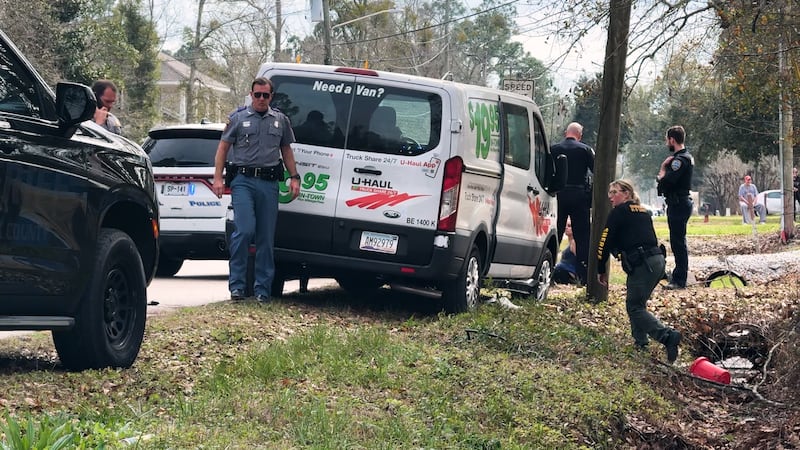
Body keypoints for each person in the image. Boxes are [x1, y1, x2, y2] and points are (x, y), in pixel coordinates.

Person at [212, 77, 301, 302]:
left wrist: (294, 177)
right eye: (257, 95)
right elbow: (223, 148)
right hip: (243, 181)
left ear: (271, 97)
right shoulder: (238, 118)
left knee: (265, 237)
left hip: (269, 183)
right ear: (251, 95)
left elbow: (286, 150)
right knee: (244, 231)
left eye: (266, 95)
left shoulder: (280, 120)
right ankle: (237, 286)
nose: (261, 99)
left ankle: (262, 289)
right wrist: (218, 178)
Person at [597, 179, 682, 363]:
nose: (611, 197)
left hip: (643, 264)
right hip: (656, 261)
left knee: (634, 307)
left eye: (614, 192)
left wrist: (599, 268)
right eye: (609, 193)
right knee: (637, 304)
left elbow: (604, 241)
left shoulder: (618, 212)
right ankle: (640, 342)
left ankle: (667, 336)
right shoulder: (642, 210)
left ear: (626, 194)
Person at [550, 122, 594, 285]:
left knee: (555, 234)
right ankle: (583, 276)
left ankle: (549, 271)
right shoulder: (585, 150)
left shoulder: (554, 149)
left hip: (559, 195)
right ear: (580, 135)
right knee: (583, 237)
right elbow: (595, 169)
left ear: (565, 133)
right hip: (579, 196)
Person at [656, 125, 694, 290]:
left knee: (678, 242)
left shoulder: (679, 160)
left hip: (678, 202)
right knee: (678, 241)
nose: (667, 143)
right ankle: (679, 276)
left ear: (672, 139)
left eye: (667, 140)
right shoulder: (685, 157)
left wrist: (663, 170)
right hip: (679, 202)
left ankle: (679, 280)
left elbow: (667, 182)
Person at [553, 218, 579, 284]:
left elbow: (580, 260)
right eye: (566, 225)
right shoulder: (570, 242)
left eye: (569, 226)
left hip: (568, 273)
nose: (566, 228)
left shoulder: (574, 243)